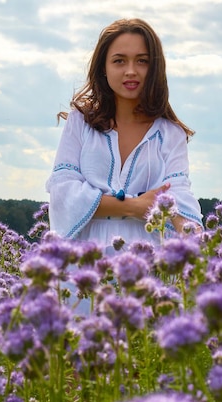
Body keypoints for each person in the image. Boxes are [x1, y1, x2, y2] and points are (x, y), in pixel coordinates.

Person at [46, 18, 203, 250]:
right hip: (83, 266)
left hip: (147, 266)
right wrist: (135, 207)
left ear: (155, 69)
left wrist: (194, 237)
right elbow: (63, 193)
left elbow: (179, 199)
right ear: (104, 69)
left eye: (142, 61)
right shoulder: (80, 122)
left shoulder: (171, 134)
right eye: (119, 61)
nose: (131, 71)